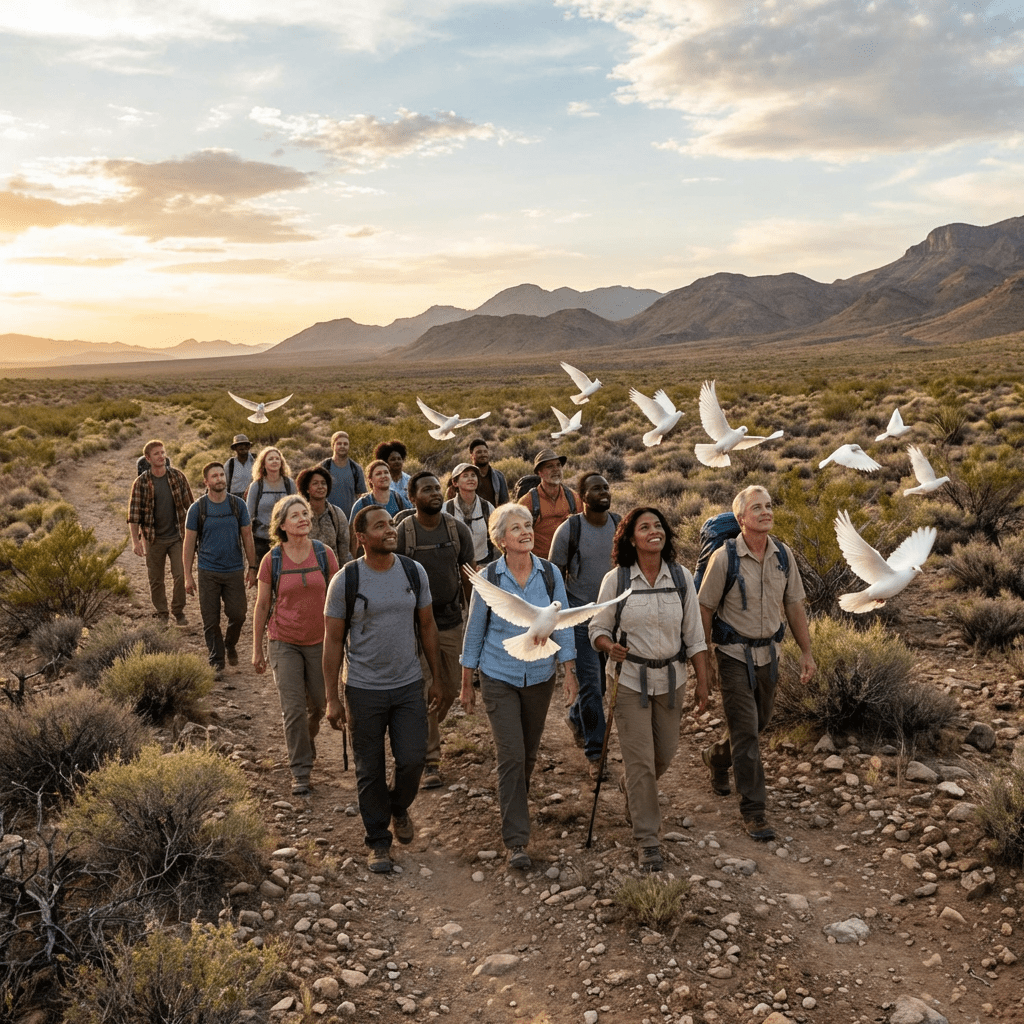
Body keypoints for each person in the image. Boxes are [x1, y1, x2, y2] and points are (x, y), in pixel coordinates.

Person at [323, 507, 443, 874]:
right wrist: (332, 698)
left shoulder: (412, 571)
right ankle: (377, 840)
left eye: (391, 524)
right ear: (361, 537)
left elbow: (427, 625)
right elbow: (332, 641)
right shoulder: (346, 580)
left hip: (408, 684)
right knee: (369, 767)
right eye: (380, 527)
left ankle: (397, 805)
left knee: (412, 759)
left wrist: (437, 677)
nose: (390, 530)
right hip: (363, 688)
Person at [590, 508, 708, 872]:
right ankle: (647, 839)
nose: (653, 532)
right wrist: (609, 647)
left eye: (658, 526)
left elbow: (694, 634)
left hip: (671, 680)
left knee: (665, 755)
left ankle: (633, 787)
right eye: (644, 527)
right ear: (631, 538)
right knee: (640, 760)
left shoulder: (681, 576)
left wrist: (704, 682)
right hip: (628, 681)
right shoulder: (617, 579)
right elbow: (597, 627)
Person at [460, 503, 577, 870]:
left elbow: (564, 624)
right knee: (510, 754)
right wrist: (467, 683)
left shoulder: (550, 574)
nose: (525, 532)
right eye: (516, 528)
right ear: (500, 540)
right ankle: (516, 840)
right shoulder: (490, 577)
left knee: (526, 754)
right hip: (499, 675)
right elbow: (475, 629)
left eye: (528, 525)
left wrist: (569, 671)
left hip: (540, 677)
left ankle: (514, 803)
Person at [697, 485, 816, 842]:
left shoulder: (783, 554)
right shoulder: (725, 557)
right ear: (741, 518)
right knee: (747, 732)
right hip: (733, 655)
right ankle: (754, 810)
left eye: (769, 506)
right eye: (757, 508)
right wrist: (705, 658)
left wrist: (807, 652)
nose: (766, 512)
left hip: (770, 655)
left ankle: (717, 758)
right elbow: (704, 607)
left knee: (759, 721)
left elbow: (794, 604)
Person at [252, 495, 340, 797]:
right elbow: (263, 605)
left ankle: (307, 739)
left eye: (305, 513)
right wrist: (257, 649)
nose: (303, 518)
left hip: (321, 641)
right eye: (295, 515)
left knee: (318, 705)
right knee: (292, 710)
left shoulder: (324, 554)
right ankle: (300, 771)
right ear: (282, 525)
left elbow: (338, 600)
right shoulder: (272, 560)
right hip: (283, 641)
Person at [396, 471, 476, 790]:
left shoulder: (457, 531)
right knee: (427, 689)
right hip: (414, 626)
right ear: (412, 497)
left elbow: (468, 575)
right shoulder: (404, 533)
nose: (434, 493)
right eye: (426, 489)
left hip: (451, 620)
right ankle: (430, 761)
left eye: (437, 488)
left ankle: (415, 731)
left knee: (450, 688)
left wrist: (474, 620)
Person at [549, 472, 619, 777]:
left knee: (602, 685)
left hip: (613, 619)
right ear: (583, 497)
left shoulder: (619, 525)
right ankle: (595, 753)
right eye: (595, 489)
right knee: (592, 685)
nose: (603, 492)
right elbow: (554, 578)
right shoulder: (569, 530)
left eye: (605, 487)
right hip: (580, 620)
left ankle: (576, 718)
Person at [182, 462, 257, 676]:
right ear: (206, 481)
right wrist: (187, 576)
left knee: (239, 614)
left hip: (234, 570)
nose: (219, 479)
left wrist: (252, 567)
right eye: (214, 476)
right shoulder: (198, 508)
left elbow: (247, 537)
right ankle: (216, 660)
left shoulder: (237, 505)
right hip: (208, 571)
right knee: (210, 618)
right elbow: (188, 545)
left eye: (221, 475)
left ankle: (230, 644)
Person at [127, 439, 194, 625]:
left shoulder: (177, 477)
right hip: (152, 538)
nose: (161, 456)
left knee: (181, 574)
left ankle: (178, 610)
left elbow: (191, 506)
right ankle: (162, 613)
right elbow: (133, 515)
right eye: (157, 454)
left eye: (163, 453)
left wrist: (197, 533)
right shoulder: (141, 483)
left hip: (177, 536)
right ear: (148, 458)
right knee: (156, 579)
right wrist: (136, 541)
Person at [517, 448, 580, 558]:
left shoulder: (574, 498)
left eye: (558, 465)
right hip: (539, 563)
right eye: (550, 466)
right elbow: (515, 536)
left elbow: (583, 529)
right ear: (539, 473)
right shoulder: (528, 502)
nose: (556, 470)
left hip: (567, 561)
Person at [349, 460, 411, 557]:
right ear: (370, 480)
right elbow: (353, 537)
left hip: (396, 553)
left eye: (386, 472)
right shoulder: (362, 504)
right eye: (378, 474)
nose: (383, 476)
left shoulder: (399, 499)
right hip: (371, 556)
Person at [245, 446, 295, 564]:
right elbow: (248, 515)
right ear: (263, 463)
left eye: (277, 459)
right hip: (261, 540)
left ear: (281, 462)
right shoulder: (257, 486)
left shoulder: (289, 484)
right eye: (270, 459)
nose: (274, 461)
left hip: (286, 538)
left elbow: (295, 508)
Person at [296, 466, 350, 566]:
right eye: (315, 483)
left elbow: (344, 549)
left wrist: (344, 573)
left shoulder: (337, 514)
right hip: (305, 570)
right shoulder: (299, 514)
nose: (320, 486)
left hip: (332, 572)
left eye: (323, 483)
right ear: (307, 489)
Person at [444, 462, 495, 564]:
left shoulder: (487, 507)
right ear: (455, 483)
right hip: (456, 565)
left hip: (483, 563)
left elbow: (498, 535)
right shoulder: (446, 509)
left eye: (473, 475)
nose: (471, 479)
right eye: (465, 476)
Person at [319, 430, 366, 516]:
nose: (342, 446)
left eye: (345, 444)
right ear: (333, 446)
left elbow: (361, 496)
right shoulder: (324, 467)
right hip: (327, 517)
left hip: (350, 519)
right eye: (339, 443)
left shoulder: (356, 469)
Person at [468, 438, 509, 507]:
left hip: (494, 516)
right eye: (479, 452)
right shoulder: (466, 478)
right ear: (471, 456)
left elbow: (504, 503)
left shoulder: (499, 476)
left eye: (485, 451)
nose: (483, 454)